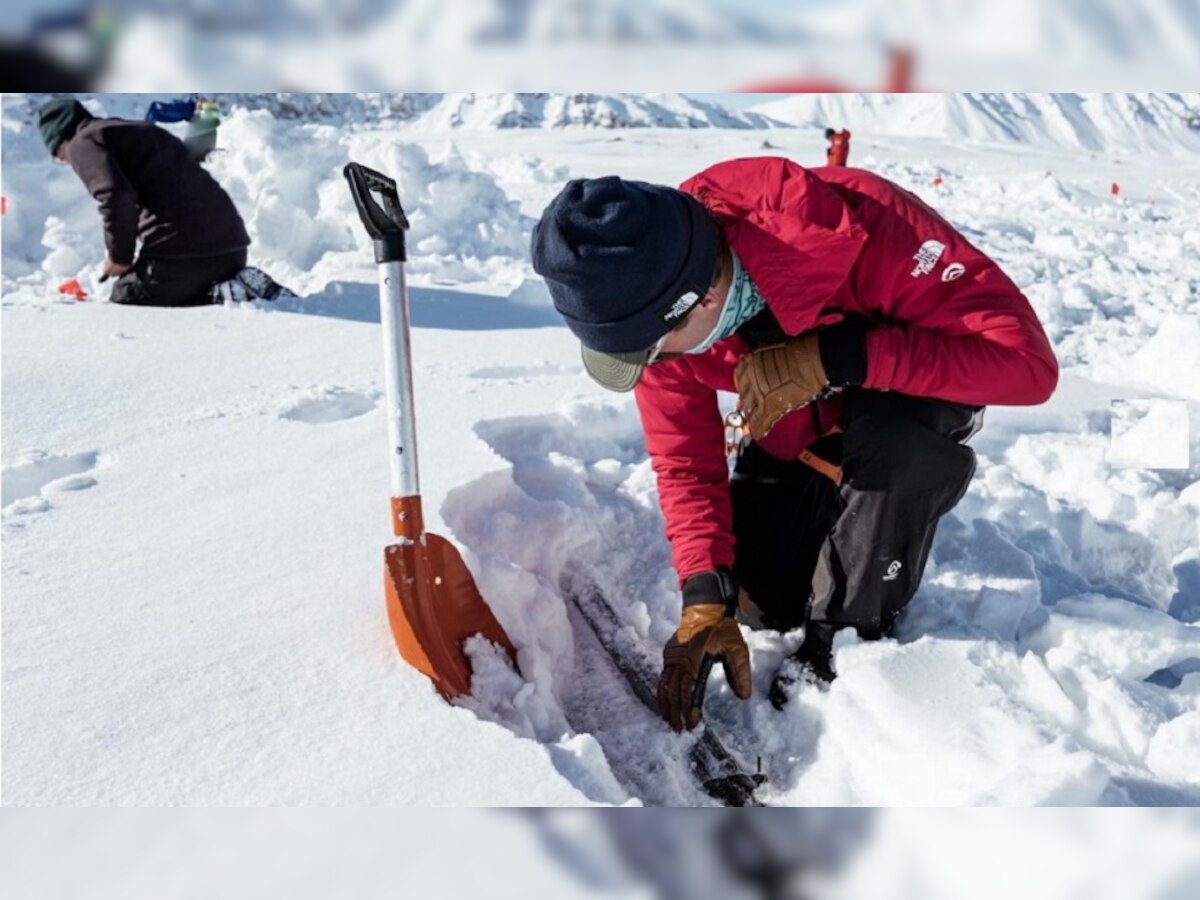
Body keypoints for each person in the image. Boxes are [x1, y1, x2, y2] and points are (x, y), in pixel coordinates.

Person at [530, 157, 1058, 732]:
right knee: (769, 600)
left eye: (653, 348)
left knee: (897, 442)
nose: (652, 362)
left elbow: (1028, 368)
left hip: (902, 417)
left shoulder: (869, 225)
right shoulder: (646, 308)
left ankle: (846, 641)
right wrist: (705, 588)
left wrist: (840, 356)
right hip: (798, 429)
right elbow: (684, 460)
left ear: (704, 296)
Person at [37, 97, 287, 306]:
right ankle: (232, 285)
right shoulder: (137, 130)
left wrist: (119, 257)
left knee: (126, 295)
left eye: (60, 156)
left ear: (61, 140)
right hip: (233, 250)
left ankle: (223, 295)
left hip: (186, 257)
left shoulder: (84, 142)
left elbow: (115, 196)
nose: (67, 161)